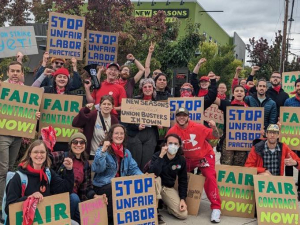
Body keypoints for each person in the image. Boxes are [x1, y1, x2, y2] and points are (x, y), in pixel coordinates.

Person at [167, 107, 222, 223]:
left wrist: (214, 127)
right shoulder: (172, 131)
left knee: (210, 176)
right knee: (175, 174)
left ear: (188, 117)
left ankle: (216, 207)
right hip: (186, 159)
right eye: (179, 115)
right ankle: (174, 201)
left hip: (204, 156)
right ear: (176, 117)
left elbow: (215, 136)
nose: (181, 117)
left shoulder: (198, 127)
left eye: (184, 115)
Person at [4, 140, 74, 225]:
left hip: (44, 220)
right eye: (36, 152)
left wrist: (69, 170)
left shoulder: (48, 173)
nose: (39, 155)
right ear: (30, 154)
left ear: (46, 154)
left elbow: (65, 190)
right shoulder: (19, 177)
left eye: (42, 152)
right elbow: (9, 208)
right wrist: (29, 198)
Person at [92, 124, 142, 223]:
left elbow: (133, 169)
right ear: (111, 135)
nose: (119, 136)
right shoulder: (103, 150)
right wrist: (102, 151)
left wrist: (144, 177)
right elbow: (97, 169)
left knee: (128, 186)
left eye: (121, 133)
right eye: (116, 133)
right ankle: (111, 220)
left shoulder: (126, 152)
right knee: (116, 188)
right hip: (103, 184)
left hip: (119, 184)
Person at [50, 133, 104, 223]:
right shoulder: (63, 156)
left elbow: (87, 187)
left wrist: (95, 196)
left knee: (89, 220)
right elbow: (46, 158)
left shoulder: (85, 164)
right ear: (70, 144)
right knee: (74, 198)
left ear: (85, 145)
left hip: (76, 201)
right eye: (75, 142)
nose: (78, 145)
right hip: (59, 197)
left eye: (82, 142)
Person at [0, 61, 26, 214]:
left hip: (18, 135)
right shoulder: (2, 87)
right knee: (3, 169)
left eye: (18, 71)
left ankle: (7, 201)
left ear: (22, 73)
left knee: (10, 169)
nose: (15, 74)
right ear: (8, 73)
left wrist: (34, 115)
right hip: (3, 133)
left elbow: (28, 112)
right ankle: (2, 205)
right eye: (12, 71)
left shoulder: (26, 92)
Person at [33, 67, 80, 152]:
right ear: (55, 79)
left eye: (64, 77)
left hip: (64, 138)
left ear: (68, 80)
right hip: (46, 136)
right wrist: (43, 75)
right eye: (59, 76)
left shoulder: (72, 96)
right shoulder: (46, 90)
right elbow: (33, 90)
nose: (62, 79)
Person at [148, 134, 188, 223]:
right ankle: (155, 211)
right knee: (156, 179)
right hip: (155, 186)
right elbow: (153, 173)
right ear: (165, 144)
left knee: (183, 214)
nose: (173, 146)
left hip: (167, 188)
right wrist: (161, 156)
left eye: (175, 144)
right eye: (170, 143)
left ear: (179, 146)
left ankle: (167, 205)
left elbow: (183, 180)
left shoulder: (181, 160)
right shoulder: (157, 155)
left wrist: (182, 199)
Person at [124, 78, 159, 169]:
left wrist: (160, 125)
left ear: (153, 88)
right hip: (136, 134)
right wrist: (137, 126)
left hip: (151, 134)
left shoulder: (159, 104)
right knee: (135, 161)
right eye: (145, 87)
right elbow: (127, 120)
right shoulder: (134, 101)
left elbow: (163, 122)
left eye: (150, 86)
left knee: (147, 162)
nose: (147, 89)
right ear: (141, 89)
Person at [214, 85, 248, 166]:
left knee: (239, 164)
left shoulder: (249, 108)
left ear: (244, 94)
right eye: (237, 91)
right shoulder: (226, 104)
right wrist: (212, 82)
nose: (239, 92)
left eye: (241, 91)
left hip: (242, 140)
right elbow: (212, 98)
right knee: (226, 163)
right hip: (228, 139)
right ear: (233, 94)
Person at [284, 78, 300, 192]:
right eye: (298, 85)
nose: (299, 87)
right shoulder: (289, 102)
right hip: (291, 137)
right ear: (295, 87)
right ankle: (289, 185)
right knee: (289, 160)